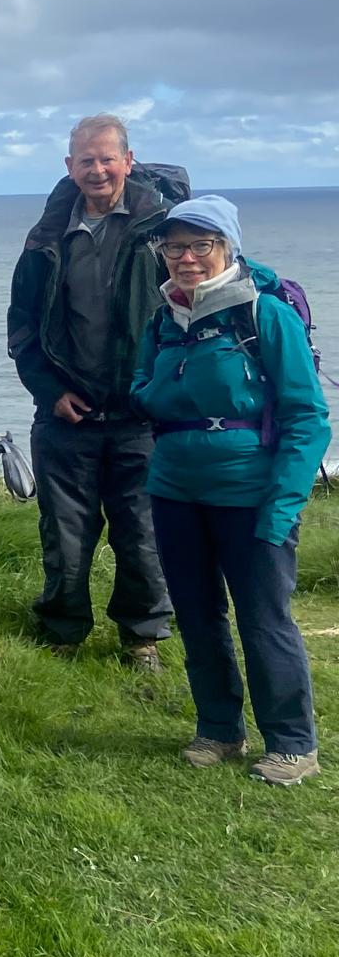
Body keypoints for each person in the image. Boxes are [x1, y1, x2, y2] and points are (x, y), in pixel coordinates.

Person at [131, 196, 330, 785]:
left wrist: (283, 506)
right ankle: (219, 730)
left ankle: (292, 743)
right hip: (174, 490)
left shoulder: (264, 315)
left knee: (264, 619)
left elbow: (308, 418)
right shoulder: (164, 319)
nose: (186, 258)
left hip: (252, 495)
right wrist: (156, 396)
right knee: (196, 614)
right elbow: (143, 388)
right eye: (174, 247)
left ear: (227, 248)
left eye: (201, 245)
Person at [7, 114, 176, 670]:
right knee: (65, 534)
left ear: (129, 160)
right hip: (66, 413)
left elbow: (188, 317)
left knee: (142, 533)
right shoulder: (46, 236)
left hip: (141, 413)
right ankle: (63, 628)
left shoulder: (165, 231)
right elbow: (23, 326)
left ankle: (142, 636)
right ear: (69, 166)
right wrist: (49, 390)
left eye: (107, 158)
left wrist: (161, 391)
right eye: (86, 160)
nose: (97, 169)